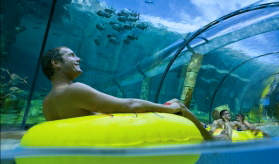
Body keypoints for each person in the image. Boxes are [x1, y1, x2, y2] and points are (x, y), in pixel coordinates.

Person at [40, 46, 215, 140]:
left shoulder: (47, 103)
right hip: (111, 146)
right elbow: (130, 105)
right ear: (56, 63)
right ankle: (212, 141)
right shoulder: (75, 90)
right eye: (71, 56)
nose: (78, 59)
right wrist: (168, 109)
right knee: (177, 103)